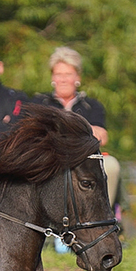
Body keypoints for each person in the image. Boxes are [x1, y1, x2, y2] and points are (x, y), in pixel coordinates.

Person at [32, 46, 121, 209]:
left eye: (68, 74)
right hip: (49, 159)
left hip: (84, 160)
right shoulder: (40, 103)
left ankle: (103, 216)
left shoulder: (91, 106)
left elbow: (102, 136)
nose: (63, 79)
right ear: (52, 77)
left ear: (77, 77)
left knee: (111, 165)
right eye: (59, 74)